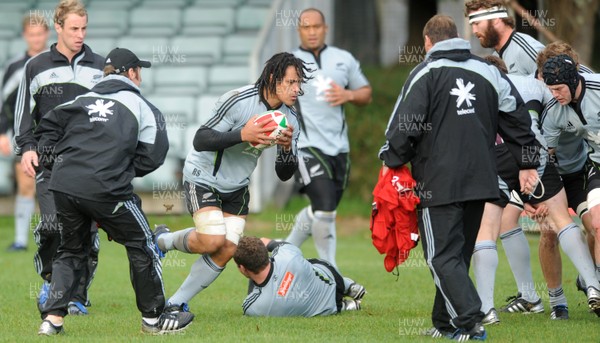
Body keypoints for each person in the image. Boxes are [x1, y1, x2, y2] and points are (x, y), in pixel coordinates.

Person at [379, 14, 541, 340]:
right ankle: (445, 323)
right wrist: (527, 162)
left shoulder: (424, 72)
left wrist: (391, 160)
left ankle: (470, 322)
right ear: (458, 37)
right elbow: (518, 120)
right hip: (482, 181)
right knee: (457, 255)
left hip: (437, 183)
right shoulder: (488, 71)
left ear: (427, 42)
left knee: (441, 256)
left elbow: (404, 126)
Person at [34, 47, 194, 335]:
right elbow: (155, 153)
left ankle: (52, 321)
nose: (140, 77)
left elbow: (46, 129)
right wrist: (122, 170)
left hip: (64, 185)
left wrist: (57, 163)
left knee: (70, 250)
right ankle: (154, 319)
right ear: (131, 73)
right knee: (143, 244)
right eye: (139, 71)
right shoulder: (143, 106)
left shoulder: (79, 100)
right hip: (108, 188)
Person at [465, 0, 597, 319]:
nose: (473, 30)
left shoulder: (525, 48)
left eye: (475, 23)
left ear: (495, 19)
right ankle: (538, 297)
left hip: (568, 165)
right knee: (520, 223)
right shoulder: (507, 64)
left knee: (585, 223)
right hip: (536, 160)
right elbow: (530, 128)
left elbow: (572, 79)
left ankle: (590, 281)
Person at [154, 52, 311, 311]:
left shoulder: (291, 118)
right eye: (291, 82)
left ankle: (174, 303)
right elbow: (201, 139)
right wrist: (243, 134)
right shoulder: (238, 100)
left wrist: (285, 150)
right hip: (203, 177)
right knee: (212, 240)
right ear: (273, 78)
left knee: (226, 248)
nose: (296, 89)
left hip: (237, 187)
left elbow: (284, 174)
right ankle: (163, 241)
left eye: (299, 83)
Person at [13, 0, 104, 315]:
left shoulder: (99, 66)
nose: (80, 35)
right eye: (74, 29)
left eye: (84, 28)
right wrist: (26, 147)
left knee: (85, 234)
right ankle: (51, 280)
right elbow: (23, 115)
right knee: (52, 225)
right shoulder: (35, 66)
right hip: (49, 162)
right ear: (59, 27)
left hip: (88, 164)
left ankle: (77, 295)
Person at [284, 8, 372, 268]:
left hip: (339, 149)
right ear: (299, 30)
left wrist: (349, 95)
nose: (312, 32)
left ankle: (284, 250)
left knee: (324, 211)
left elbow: (365, 93)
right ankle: (331, 272)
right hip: (306, 147)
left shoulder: (343, 58)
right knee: (324, 207)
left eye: (316, 27)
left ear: (325, 29)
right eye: (306, 27)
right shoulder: (289, 62)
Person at [0, 13, 49, 251]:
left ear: (47, 34)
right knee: (26, 184)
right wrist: (2, 133)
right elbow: (4, 103)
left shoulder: (56, 63)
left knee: (54, 187)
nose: (36, 38)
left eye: (40, 34)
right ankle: (20, 240)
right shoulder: (15, 67)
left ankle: (54, 237)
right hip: (26, 136)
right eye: (32, 34)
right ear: (24, 36)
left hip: (55, 137)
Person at [233, 236, 365, 317]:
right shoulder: (287, 254)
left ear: (243, 268)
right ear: (264, 253)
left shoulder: (253, 306)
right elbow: (270, 243)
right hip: (334, 281)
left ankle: (347, 306)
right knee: (306, 262)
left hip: (329, 309)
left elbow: (250, 297)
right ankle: (349, 286)